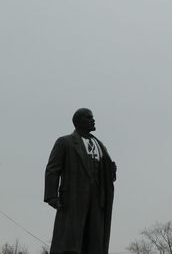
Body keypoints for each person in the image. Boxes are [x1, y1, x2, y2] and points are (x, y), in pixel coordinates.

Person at [44, 108, 117, 254]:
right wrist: (51, 196)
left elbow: (107, 174)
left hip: (98, 200)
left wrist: (111, 172)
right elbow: (52, 169)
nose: (93, 120)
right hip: (74, 199)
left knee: (95, 239)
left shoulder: (100, 145)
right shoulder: (65, 142)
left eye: (93, 117)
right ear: (78, 121)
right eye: (89, 117)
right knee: (71, 241)